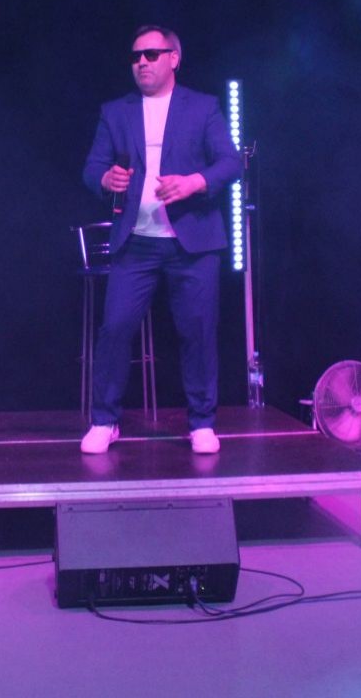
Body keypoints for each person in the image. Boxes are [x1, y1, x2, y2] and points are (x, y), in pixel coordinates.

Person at [79, 26, 241, 454]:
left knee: (198, 332)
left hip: (193, 242)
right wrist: (105, 179)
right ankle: (104, 420)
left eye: (151, 54)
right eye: (136, 56)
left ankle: (202, 422)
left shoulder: (202, 107)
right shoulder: (116, 111)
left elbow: (230, 162)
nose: (142, 62)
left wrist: (194, 182)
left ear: (174, 58)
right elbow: (91, 167)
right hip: (137, 242)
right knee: (115, 329)